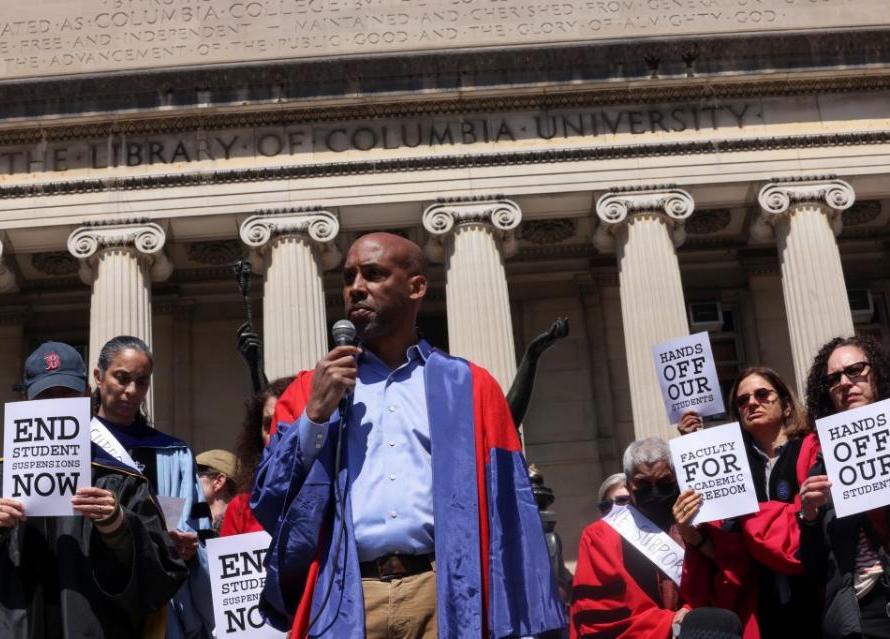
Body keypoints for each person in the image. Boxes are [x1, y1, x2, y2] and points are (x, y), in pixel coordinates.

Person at [251, 232, 566, 638]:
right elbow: (269, 497)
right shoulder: (310, 389)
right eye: (349, 278)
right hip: (346, 596)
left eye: (374, 274)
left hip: (443, 593)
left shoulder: (470, 387)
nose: (356, 289)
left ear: (416, 287)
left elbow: (510, 509)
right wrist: (314, 416)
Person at [0, 341, 187, 638]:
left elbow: (161, 581)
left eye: (66, 396)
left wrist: (120, 529)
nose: (55, 405)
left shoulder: (120, 480)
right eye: (46, 396)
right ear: (25, 400)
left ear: (86, 395)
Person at [674, 366, 821, 638]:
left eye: (762, 394)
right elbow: (726, 549)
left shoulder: (814, 449)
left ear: (786, 405)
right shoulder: (730, 466)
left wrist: (752, 521)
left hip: (817, 597)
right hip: (760, 607)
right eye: (742, 400)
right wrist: (690, 535)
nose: (752, 402)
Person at [89, 335, 215, 639]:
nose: (132, 391)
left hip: (162, 607)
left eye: (142, 382)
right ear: (98, 376)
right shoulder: (74, 450)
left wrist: (190, 549)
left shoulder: (173, 453)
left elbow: (199, 531)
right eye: (122, 378)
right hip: (92, 598)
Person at [799, 335, 890, 638]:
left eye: (855, 370)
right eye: (833, 378)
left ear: (876, 371)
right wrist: (809, 517)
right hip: (862, 615)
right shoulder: (821, 470)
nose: (845, 382)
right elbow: (813, 569)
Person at [571, 437, 691, 638]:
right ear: (628, 484)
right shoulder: (600, 536)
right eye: (643, 483)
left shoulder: (696, 524)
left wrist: (692, 610)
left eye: (663, 482)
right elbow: (602, 610)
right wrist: (669, 623)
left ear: (675, 479)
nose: (654, 490)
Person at [220, 376, 293, 537]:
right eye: (268, 424)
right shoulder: (240, 509)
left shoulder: (336, 497)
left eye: (285, 422)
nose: (275, 433)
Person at [195, 449, 237, 534]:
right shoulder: (184, 533)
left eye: (194, 475)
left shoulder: (245, 530)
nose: (186, 482)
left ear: (218, 481)